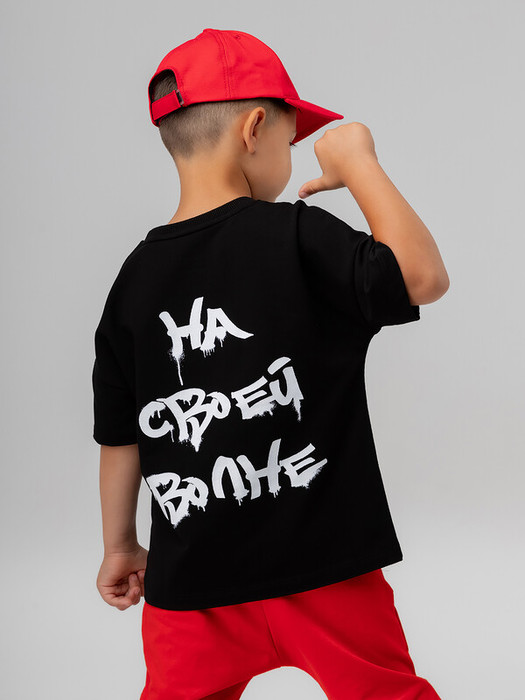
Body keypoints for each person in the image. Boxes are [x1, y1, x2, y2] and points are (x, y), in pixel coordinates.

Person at [92, 27, 448, 700]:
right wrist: (358, 161)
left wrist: (120, 546)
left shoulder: (131, 282)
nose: (293, 156)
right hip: (326, 570)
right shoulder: (296, 235)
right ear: (255, 128)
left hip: (191, 586)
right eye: (290, 140)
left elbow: (121, 434)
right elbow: (421, 276)